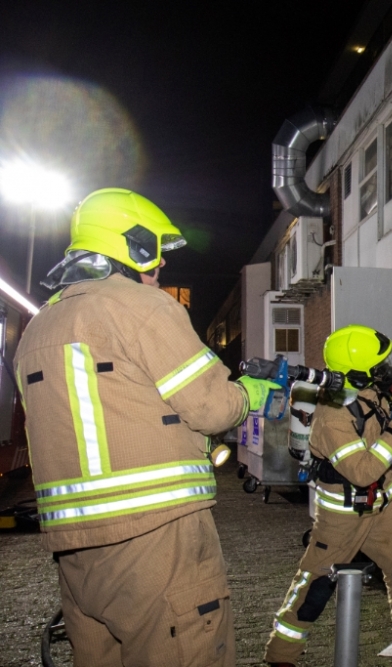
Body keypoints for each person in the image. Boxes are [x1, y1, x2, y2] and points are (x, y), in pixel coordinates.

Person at [14, 188, 278, 667]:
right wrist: (250, 395)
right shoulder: (143, 307)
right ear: (130, 247)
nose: (159, 273)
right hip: (156, 538)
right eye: (154, 258)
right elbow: (213, 407)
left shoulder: (37, 328)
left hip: (74, 552)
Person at [264, 324, 392, 667]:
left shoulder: (372, 389)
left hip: (386, 507)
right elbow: (364, 471)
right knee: (315, 586)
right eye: (379, 368)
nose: (388, 372)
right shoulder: (331, 417)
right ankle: (281, 656)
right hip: (343, 514)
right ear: (357, 375)